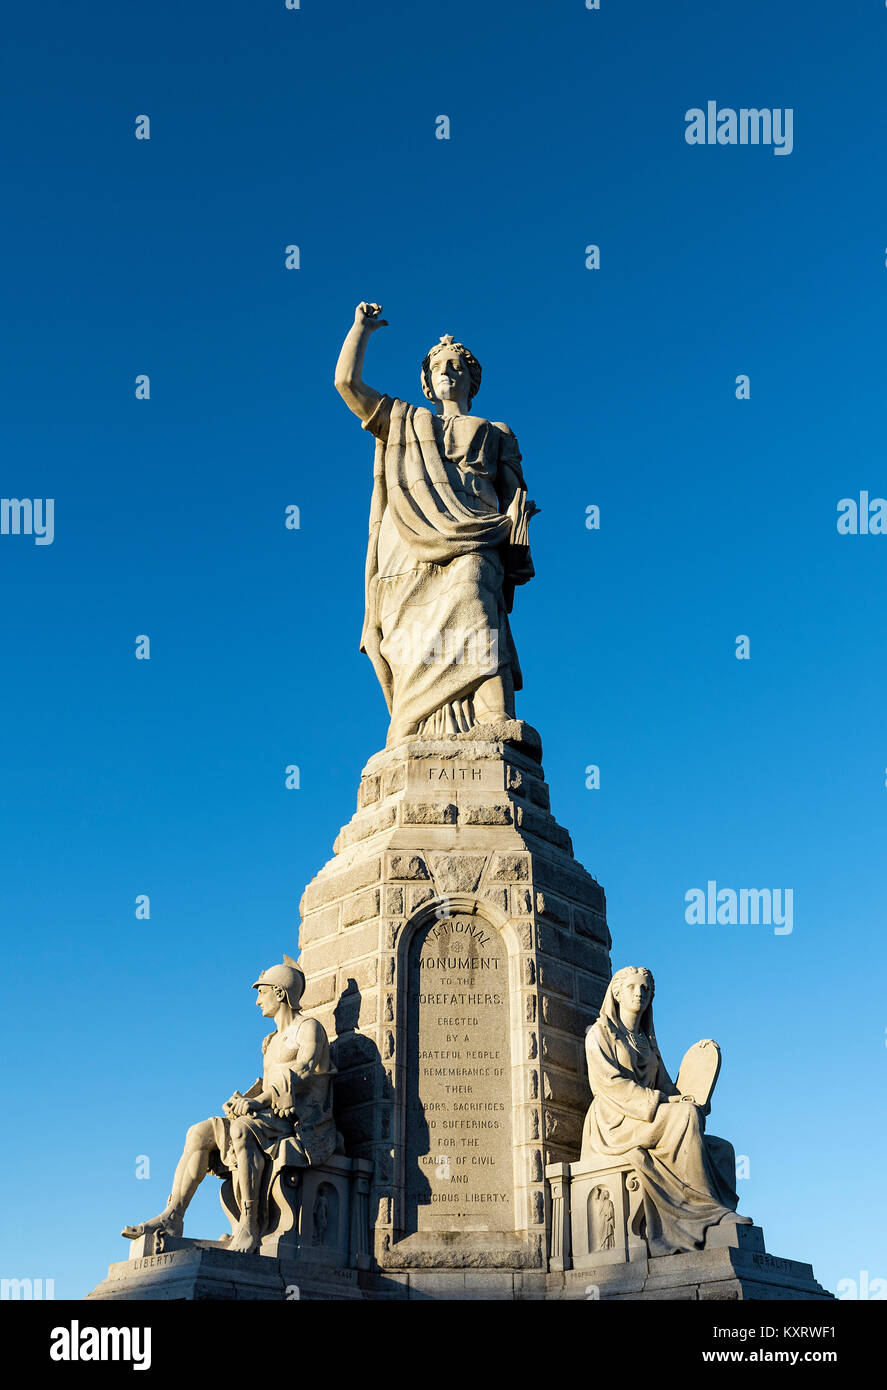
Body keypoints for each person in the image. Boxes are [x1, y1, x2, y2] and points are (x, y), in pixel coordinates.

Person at [335, 301, 539, 746]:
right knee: (410, 629)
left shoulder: (495, 429)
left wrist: (519, 530)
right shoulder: (404, 420)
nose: (446, 370)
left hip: (477, 530)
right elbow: (346, 384)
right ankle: (412, 726)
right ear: (426, 380)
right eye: (437, 366)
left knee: (474, 591)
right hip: (409, 539)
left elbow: (514, 495)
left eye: (455, 365)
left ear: (472, 378)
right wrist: (361, 331)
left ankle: (494, 717)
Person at [121, 957, 339, 1254]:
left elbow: (303, 1070)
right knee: (199, 1132)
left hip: (302, 1124)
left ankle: (250, 1223)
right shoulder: (271, 1041)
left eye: (261, 992)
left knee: (241, 1130)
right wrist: (242, 1099)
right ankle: (173, 1216)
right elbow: (268, 1081)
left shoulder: (308, 1028)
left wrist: (257, 1102)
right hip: (270, 1118)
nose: (257, 1000)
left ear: (279, 992)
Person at [581, 966, 752, 1256]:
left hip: (647, 1115)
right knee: (682, 1117)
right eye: (633, 987)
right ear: (617, 993)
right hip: (615, 1121)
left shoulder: (647, 1042)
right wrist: (665, 1102)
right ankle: (705, 1214)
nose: (640, 993)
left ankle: (718, 1215)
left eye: (646, 989)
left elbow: (668, 1089)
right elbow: (609, 1085)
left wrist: (692, 1096)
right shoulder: (600, 1034)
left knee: (722, 1149)